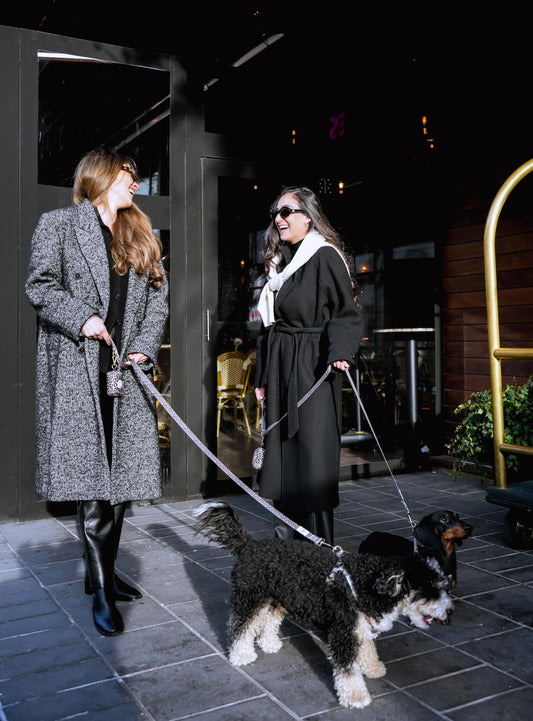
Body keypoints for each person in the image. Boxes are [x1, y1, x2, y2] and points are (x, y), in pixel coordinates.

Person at [25, 149, 169, 636]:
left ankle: (100, 573)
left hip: (124, 372)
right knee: (92, 482)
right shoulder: (59, 225)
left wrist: (144, 347)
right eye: (130, 174)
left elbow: (158, 297)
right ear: (103, 176)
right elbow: (40, 285)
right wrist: (82, 317)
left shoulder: (139, 232)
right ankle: (102, 592)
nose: (136, 183)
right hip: (78, 371)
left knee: (121, 481)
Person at [255, 186, 362, 545]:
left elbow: (346, 312)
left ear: (308, 217)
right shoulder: (279, 262)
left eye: (286, 211)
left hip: (314, 365)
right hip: (281, 365)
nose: (279, 218)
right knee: (282, 452)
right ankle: (288, 543)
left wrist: (340, 352)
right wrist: (262, 376)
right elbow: (269, 326)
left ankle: (320, 548)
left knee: (313, 454)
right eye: (276, 212)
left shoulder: (324, 255)